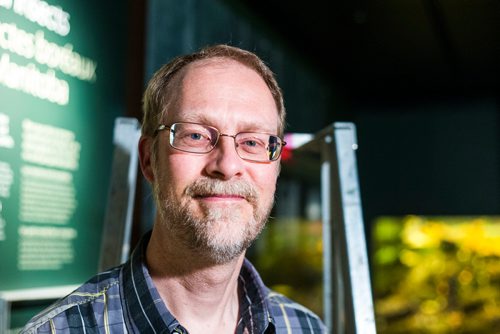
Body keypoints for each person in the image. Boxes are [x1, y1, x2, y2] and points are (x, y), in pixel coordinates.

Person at [22, 44, 326, 333]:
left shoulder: (305, 328)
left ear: (275, 167)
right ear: (148, 160)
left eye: (252, 142)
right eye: (195, 136)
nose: (228, 164)